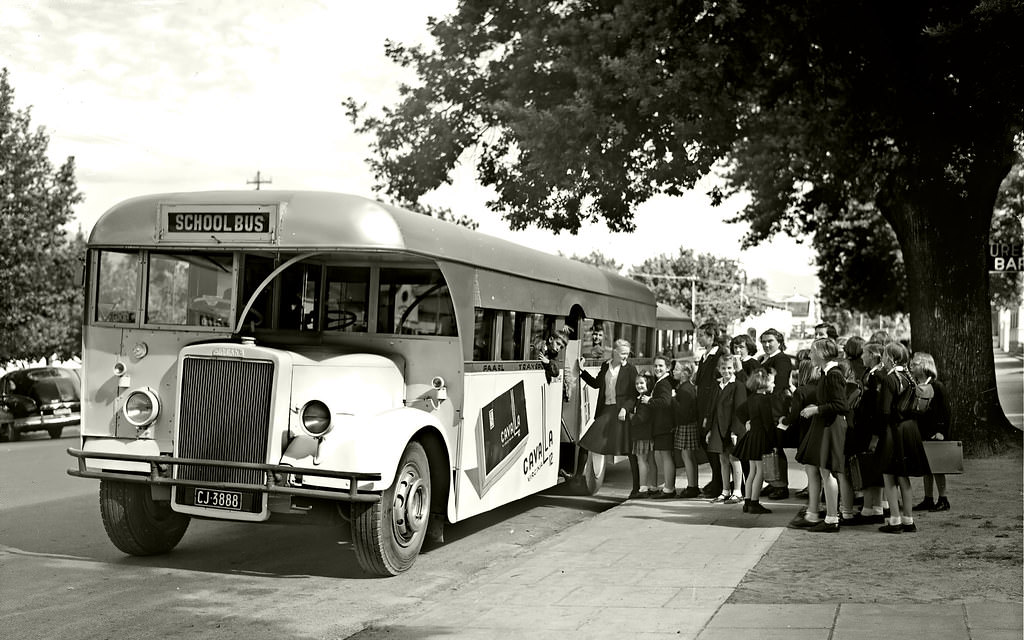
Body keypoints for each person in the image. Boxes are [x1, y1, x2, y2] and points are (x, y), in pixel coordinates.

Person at [790, 338, 848, 533]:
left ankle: (832, 518)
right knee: (820, 469)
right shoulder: (827, 373)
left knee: (827, 471)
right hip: (825, 425)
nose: (810, 355)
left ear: (823, 353)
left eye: (813, 351)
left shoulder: (833, 374)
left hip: (830, 427)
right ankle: (817, 515)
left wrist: (816, 410)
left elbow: (841, 405)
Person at [875, 341, 930, 533]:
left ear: (890, 358)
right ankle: (908, 519)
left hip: (893, 431)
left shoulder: (890, 379)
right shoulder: (909, 377)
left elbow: (884, 411)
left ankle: (895, 520)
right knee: (904, 476)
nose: (882, 359)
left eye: (883, 355)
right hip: (909, 430)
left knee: (889, 476)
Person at [577, 339, 640, 496]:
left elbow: (634, 394)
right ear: (615, 352)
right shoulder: (606, 366)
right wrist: (582, 371)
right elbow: (597, 384)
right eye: (622, 353)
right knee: (587, 442)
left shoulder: (631, 370)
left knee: (630, 451)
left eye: (627, 353)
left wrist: (626, 408)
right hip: (606, 411)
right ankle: (577, 477)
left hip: (621, 414)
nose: (625, 356)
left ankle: (637, 488)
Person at [910, 352, 952, 512]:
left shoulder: (937, 386)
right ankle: (928, 498)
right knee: (926, 467)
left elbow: (946, 412)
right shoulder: (916, 385)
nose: (911, 367)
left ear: (923, 366)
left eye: (914, 364)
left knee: (938, 467)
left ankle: (943, 498)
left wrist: (942, 431)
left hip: (935, 433)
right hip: (922, 432)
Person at [735, 368, 776, 514]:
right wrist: (774, 441)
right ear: (764, 382)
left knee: (752, 471)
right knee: (760, 471)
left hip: (752, 436)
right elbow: (768, 423)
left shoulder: (751, 398)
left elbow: (739, 411)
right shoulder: (765, 400)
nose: (774, 385)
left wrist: (747, 421)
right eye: (772, 382)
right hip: (761, 437)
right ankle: (755, 502)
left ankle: (747, 501)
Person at [759, 328, 794, 500]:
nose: (766, 344)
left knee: (776, 446)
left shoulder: (782, 359)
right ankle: (773, 481)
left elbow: (780, 385)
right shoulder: (766, 359)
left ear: (779, 341)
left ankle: (781, 486)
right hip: (766, 407)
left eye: (770, 341)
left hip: (776, 407)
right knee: (769, 446)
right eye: (764, 341)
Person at [706, 355, 746, 504]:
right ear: (719, 369)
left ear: (734, 368)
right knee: (722, 459)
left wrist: (735, 431)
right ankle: (725, 490)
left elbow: (739, 410)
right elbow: (712, 409)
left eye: (729, 368)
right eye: (723, 368)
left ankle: (737, 491)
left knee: (734, 459)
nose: (726, 371)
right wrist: (710, 430)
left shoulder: (738, 386)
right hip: (718, 427)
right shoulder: (717, 386)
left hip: (732, 428)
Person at [694, 322, 727, 498]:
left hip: (712, 406)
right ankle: (717, 480)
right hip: (702, 405)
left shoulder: (719, 355)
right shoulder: (705, 355)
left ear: (711, 337)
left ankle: (720, 483)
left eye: (702, 335)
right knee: (706, 445)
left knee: (713, 445)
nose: (699, 338)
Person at [646, 355, 677, 499]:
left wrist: (649, 401)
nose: (657, 368)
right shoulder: (662, 381)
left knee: (666, 457)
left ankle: (669, 489)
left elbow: (665, 402)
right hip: (664, 425)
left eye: (661, 366)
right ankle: (669, 488)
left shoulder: (663, 383)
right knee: (665, 457)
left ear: (668, 368)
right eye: (656, 366)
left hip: (664, 426)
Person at [671, 360, 701, 498]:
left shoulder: (684, 389)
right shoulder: (687, 387)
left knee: (687, 456)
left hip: (686, 424)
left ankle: (692, 486)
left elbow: (682, 411)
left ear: (685, 373)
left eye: (676, 369)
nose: (673, 371)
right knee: (689, 456)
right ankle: (693, 485)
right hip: (689, 423)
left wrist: (673, 400)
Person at [628, 373, 657, 496]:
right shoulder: (643, 397)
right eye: (637, 383)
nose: (639, 385)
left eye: (641, 383)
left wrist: (631, 417)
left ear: (647, 384)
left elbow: (641, 418)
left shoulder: (644, 399)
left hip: (642, 435)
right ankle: (653, 487)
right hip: (647, 435)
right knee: (650, 461)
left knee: (642, 461)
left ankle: (643, 488)